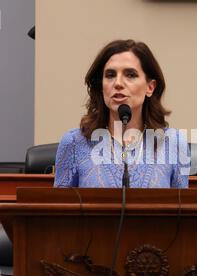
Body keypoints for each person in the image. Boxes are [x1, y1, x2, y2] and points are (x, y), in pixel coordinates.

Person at [54, 39, 190, 188]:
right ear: (101, 86)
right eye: (110, 75)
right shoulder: (74, 143)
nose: (118, 83)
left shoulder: (173, 143)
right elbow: (60, 208)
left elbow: (180, 208)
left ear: (150, 87)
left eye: (130, 75)